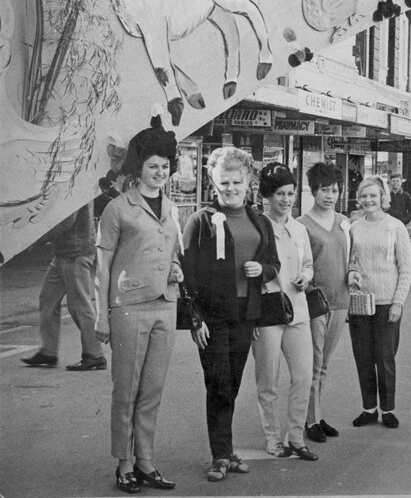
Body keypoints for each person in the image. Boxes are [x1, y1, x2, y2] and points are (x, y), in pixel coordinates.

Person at [182, 146, 280, 482]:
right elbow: (187, 274)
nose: (230, 188)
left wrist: (262, 270)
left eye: (237, 182)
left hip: (245, 315)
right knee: (219, 383)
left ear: (248, 181)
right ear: (213, 182)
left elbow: (274, 265)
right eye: (223, 182)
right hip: (212, 317)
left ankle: (226, 449)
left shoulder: (260, 221)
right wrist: (195, 319)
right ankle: (220, 455)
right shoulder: (200, 221)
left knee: (232, 384)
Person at [95, 118, 182, 493]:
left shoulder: (172, 207)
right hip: (128, 308)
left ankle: (146, 461)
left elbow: (172, 252)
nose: (160, 173)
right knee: (126, 391)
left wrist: (176, 268)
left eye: (165, 166)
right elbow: (101, 264)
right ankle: (124, 463)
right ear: (139, 168)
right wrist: (102, 315)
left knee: (152, 390)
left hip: (165, 306)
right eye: (153, 166)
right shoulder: (118, 209)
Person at [253, 163, 317, 461]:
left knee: (303, 376)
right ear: (267, 195)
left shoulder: (299, 228)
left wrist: (306, 275)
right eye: (280, 193)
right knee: (269, 380)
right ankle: (272, 437)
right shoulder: (257, 226)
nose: (286, 199)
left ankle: (296, 436)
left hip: (298, 310)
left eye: (291, 193)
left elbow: (308, 264)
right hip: (267, 311)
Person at [346, 175, 411, 429]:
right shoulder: (354, 227)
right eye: (364, 196)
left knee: (385, 358)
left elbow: (406, 268)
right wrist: (352, 272)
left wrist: (398, 302)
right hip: (361, 301)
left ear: (383, 197)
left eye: (373, 195)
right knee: (363, 356)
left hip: (387, 303)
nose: (368, 200)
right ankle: (369, 409)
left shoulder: (395, 227)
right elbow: (350, 260)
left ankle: (388, 409)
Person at [299, 163, 351, 443]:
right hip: (315, 303)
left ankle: (317, 415)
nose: (330, 195)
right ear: (313, 191)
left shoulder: (344, 222)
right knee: (314, 363)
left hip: (340, 300)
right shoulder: (301, 225)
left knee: (325, 364)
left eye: (335, 190)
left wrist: (353, 271)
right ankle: (310, 420)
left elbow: (351, 256)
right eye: (324, 190)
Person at [21, 203, 106, 371]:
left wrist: (36, 238)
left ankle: (95, 355)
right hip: (63, 253)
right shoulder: (66, 184)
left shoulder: (75, 189)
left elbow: (66, 221)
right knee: (48, 299)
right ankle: (48, 352)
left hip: (76, 252)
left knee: (80, 305)